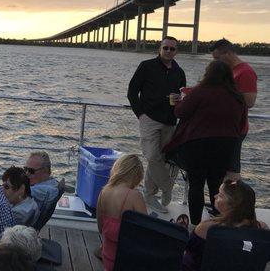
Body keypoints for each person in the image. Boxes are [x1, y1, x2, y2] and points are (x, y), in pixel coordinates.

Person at [164, 60, 247, 226]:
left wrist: (179, 102)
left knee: (196, 185)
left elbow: (181, 112)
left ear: (208, 74)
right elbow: (241, 123)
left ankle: (196, 225)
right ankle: (218, 222)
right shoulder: (237, 96)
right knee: (217, 186)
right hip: (226, 146)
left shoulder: (199, 91)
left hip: (198, 145)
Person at [127, 36, 186, 213]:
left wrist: (179, 100)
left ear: (176, 52)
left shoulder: (179, 72)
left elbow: (183, 96)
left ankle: (149, 196)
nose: (168, 51)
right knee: (152, 156)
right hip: (149, 119)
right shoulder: (146, 66)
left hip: (169, 121)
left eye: (172, 49)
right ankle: (167, 187)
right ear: (159, 49)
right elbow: (132, 92)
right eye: (165, 48)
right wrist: (141, 114)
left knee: (161, 159)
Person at [182, 180, 268, 271]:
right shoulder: (261, 229)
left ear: (233, 205)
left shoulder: (208, 228)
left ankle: (180, 227)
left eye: (220, 195)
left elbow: (188, 248)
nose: (215, 196)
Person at [210, 38, 257, 179]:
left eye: (218, 58)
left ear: (228, 53)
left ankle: (234, 199)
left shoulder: (245, 72)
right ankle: (223, 198)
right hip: (224, 128)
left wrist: (223, 94)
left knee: (231, 168)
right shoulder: (230, 71)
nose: (216, 62)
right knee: (221, 166)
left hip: (235, 128)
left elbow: (250, 101)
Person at [96, 154, 147, 271]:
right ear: (136, 175)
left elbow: (100, 228)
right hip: (126, 261)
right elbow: (145, 233)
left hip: (108, 259)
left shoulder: (103, 192)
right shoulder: (135, 196)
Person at [24, 151, 59, 216]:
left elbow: (15, 192)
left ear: (45, 171)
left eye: (31, 171)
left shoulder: (41, 191)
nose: (27, 174)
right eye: (25, 169)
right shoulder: (52, 183)